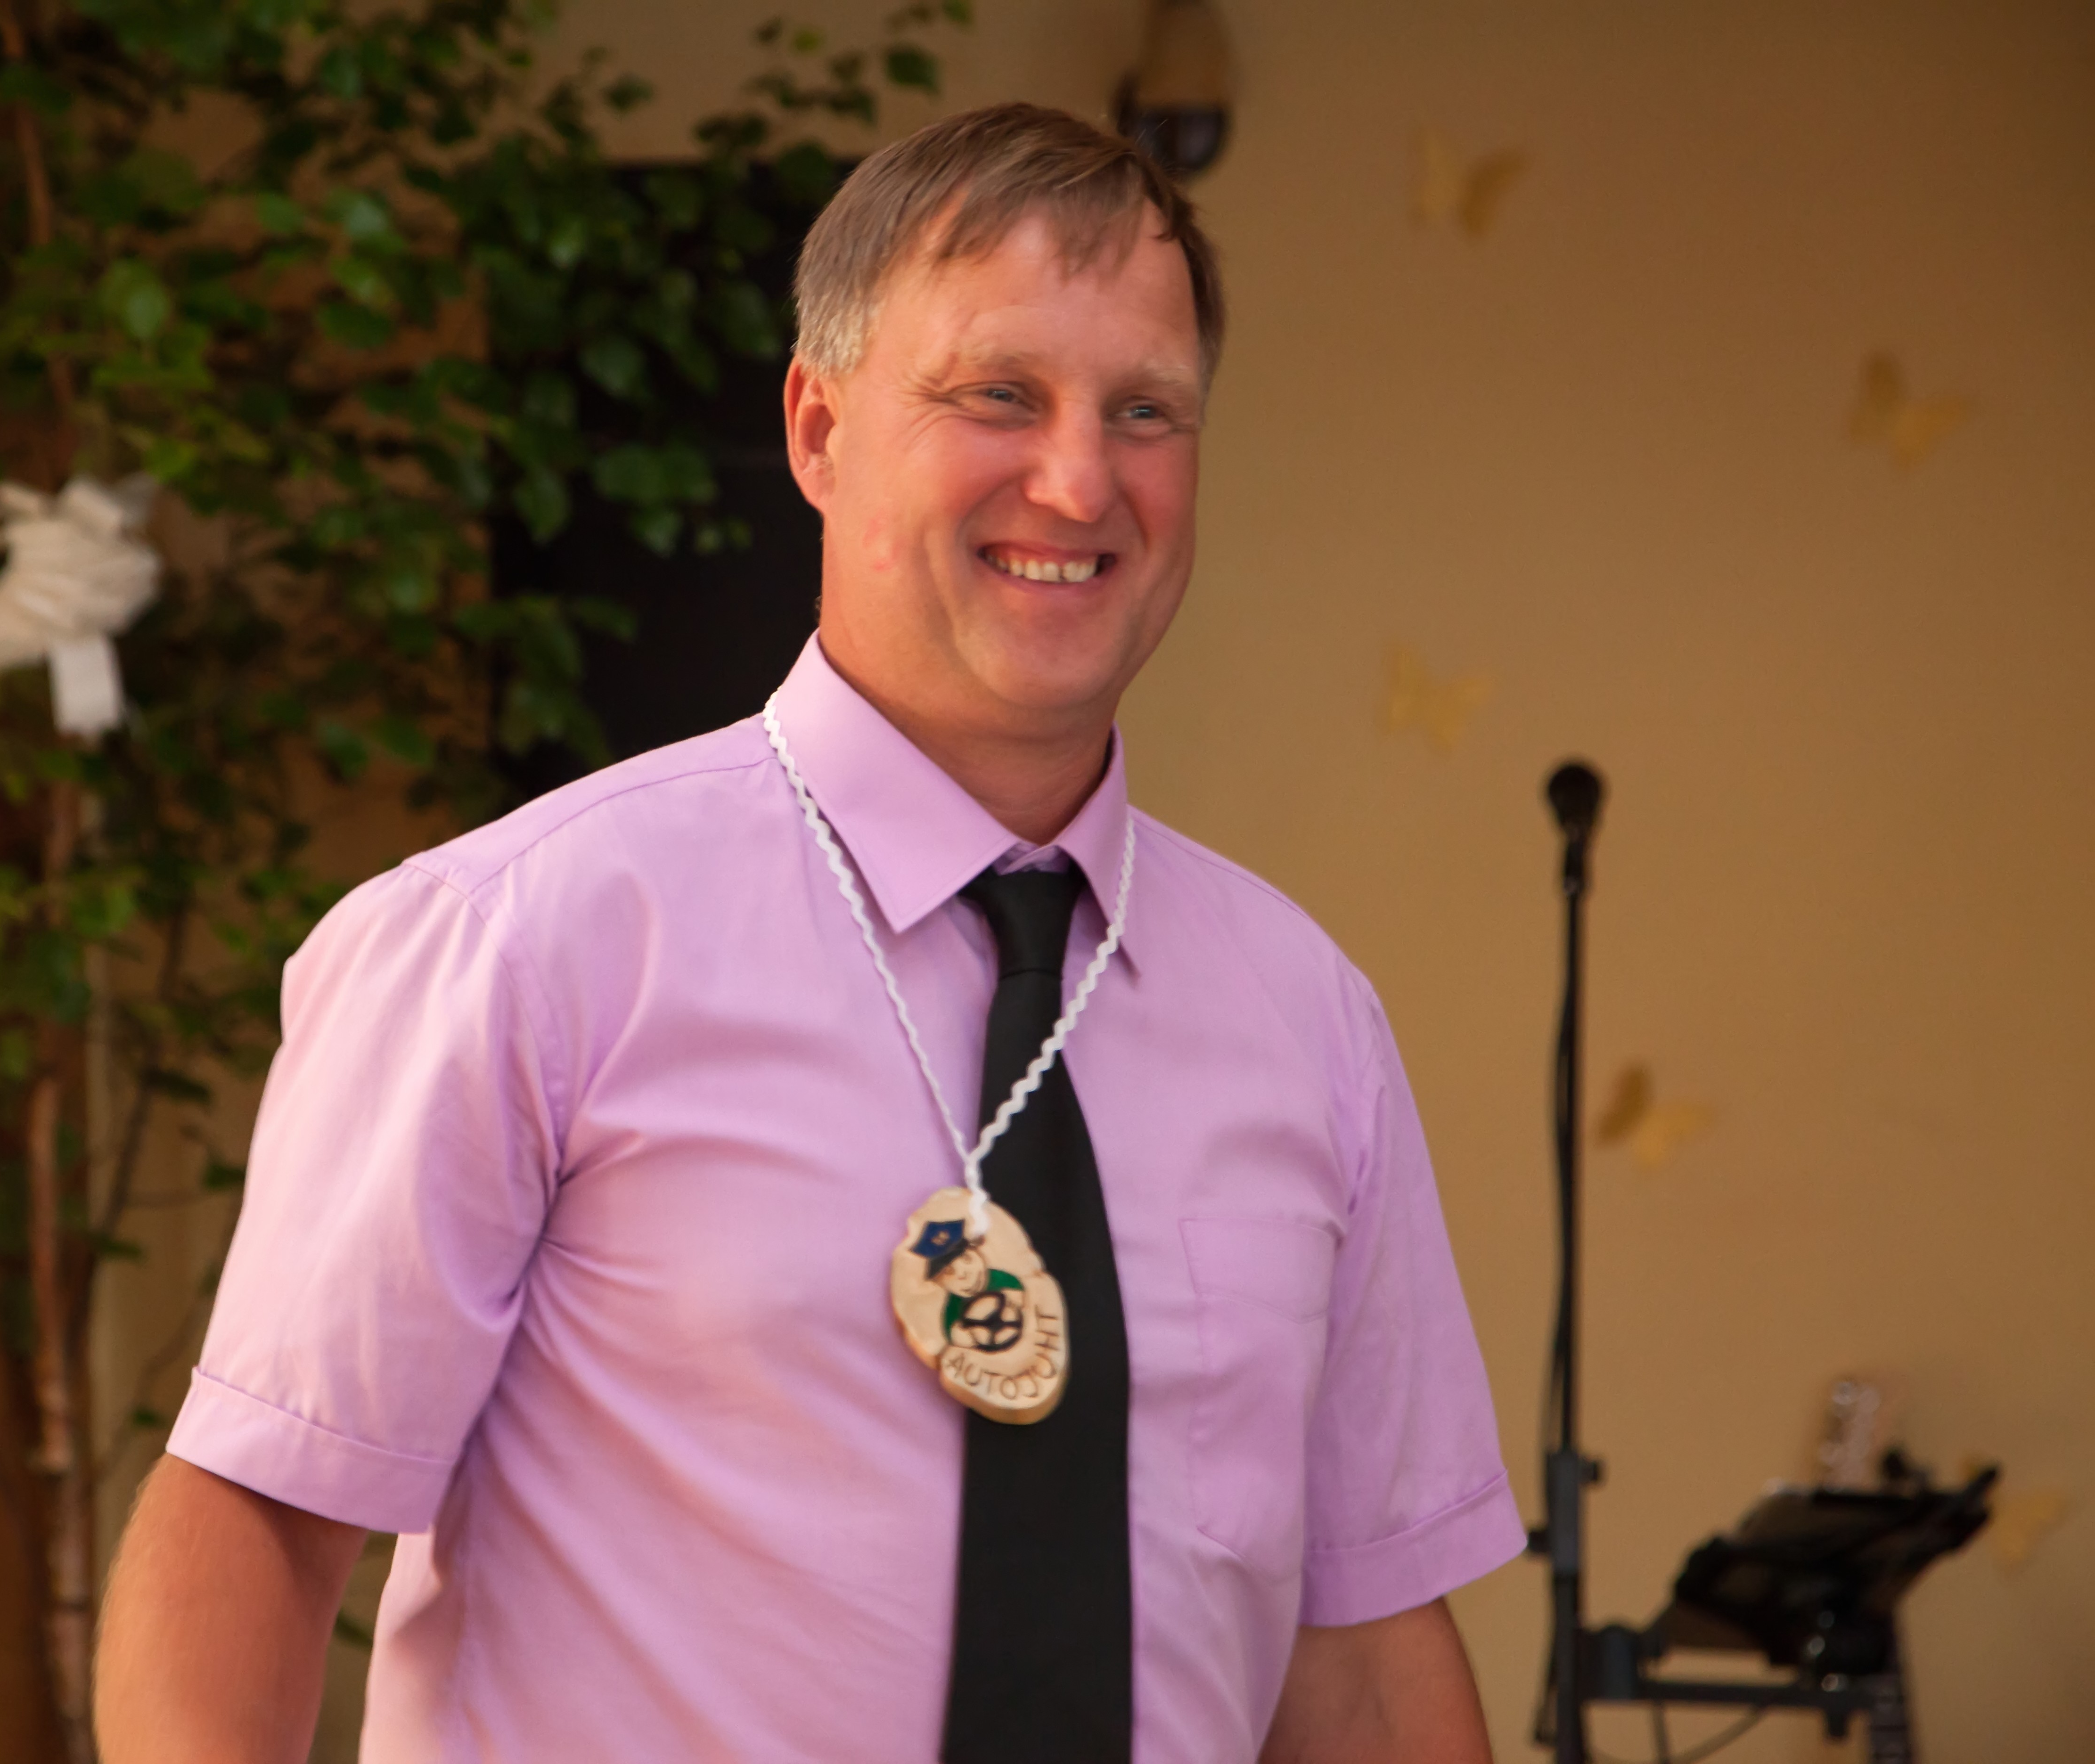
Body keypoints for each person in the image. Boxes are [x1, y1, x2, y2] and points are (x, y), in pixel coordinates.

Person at [97, 102, 1522, 1763]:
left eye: (1145, 411)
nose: (1081, 481)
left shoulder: (1308, 1019)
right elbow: (260, 1529)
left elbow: (1362, 1660)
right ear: (819, 429)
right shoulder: (525, 943)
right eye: (999, 395)